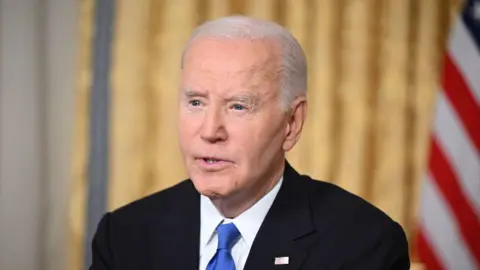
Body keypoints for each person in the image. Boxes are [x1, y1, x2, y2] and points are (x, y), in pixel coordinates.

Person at [90, 15, 410, 270]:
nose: (210, 130)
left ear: (291, 123)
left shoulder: (364, 245)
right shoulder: (124, 236)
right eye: (196, 102)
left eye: (238, 106)